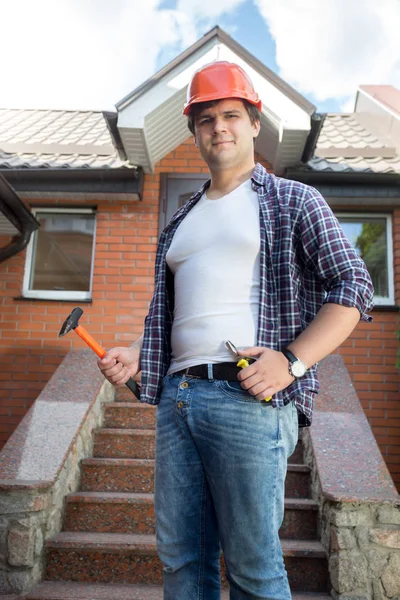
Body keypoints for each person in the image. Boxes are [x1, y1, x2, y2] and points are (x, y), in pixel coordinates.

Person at [97, 61, 374, 600]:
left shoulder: (292, 200)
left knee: (252, 565)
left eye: (229, 114)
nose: (217, 127)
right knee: (181, 561)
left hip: (246, 397)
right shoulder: (181, 219)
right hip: (176, 398)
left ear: (253, 123)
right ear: (194, 131)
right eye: (205, 119)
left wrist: (291, 360)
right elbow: (172, 314)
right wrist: (135, 351)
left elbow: (354, 285)